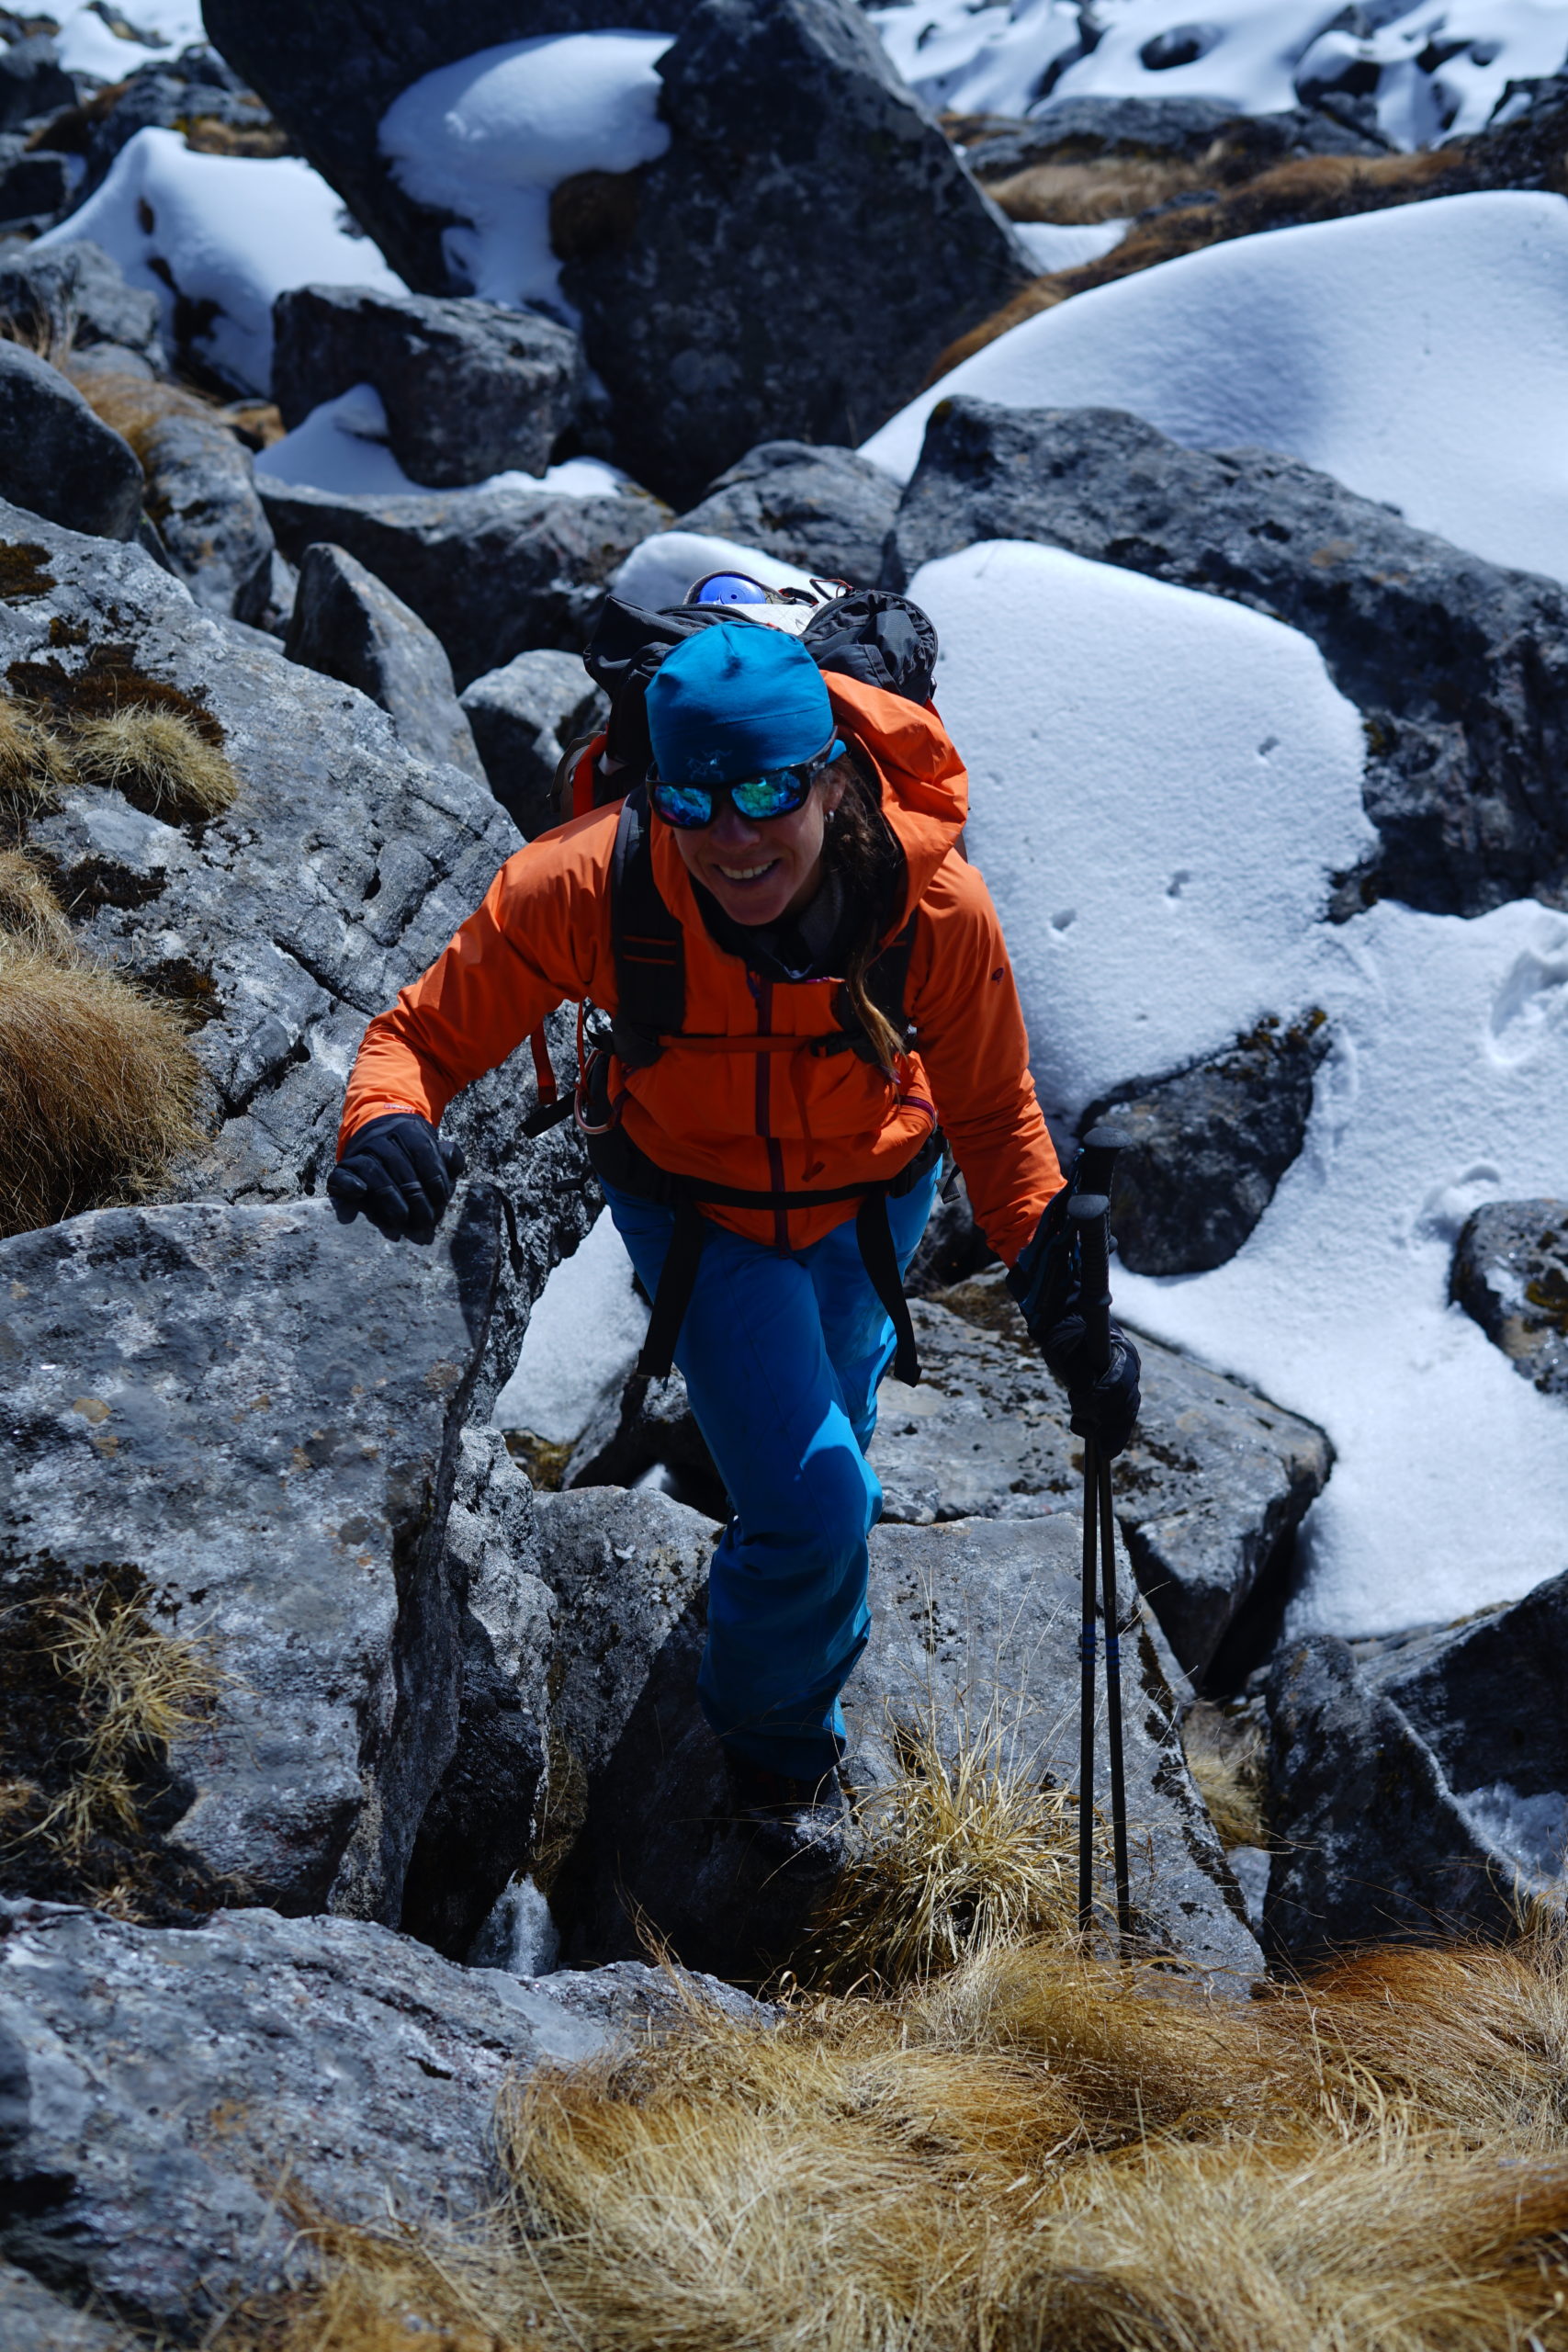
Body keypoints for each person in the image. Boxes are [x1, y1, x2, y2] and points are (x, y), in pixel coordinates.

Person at [328, 605, 1139, 1872]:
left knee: (836, 1437)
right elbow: (418, 1038)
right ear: (660, 794)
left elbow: (994, 1116)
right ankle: (774, 1769)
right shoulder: (587, 887)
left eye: (767, 791)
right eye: (693, 800)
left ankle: (787, 1558)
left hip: (875, 1201)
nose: (733, 835)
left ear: (831, 778)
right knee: (818, 1508)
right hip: (700, 1216)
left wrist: (1062, 1296)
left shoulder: (932, 908)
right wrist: (383, 1120)